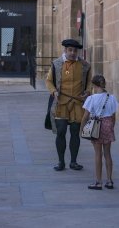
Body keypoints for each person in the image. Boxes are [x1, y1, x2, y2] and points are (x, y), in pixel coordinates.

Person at [45, 39, 92, 171]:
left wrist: (88, 92)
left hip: (77, 103)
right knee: (60, 132)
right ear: (65, 50)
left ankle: (73, 162)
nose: (72, 53)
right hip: (61, 103)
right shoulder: (56, 64)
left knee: (75, 132)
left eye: (75, 50)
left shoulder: (85, 65)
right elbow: (48, 81)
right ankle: (61, 162)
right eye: (70, 50)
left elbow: (89, 82)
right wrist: (54, 91)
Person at [80, 75, 119, 190]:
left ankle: (98, 182)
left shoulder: (91, 99)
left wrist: (82, 129)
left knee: (98, 154)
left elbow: (85, 116)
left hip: (96, 126)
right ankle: (109, 180)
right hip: (108, 125)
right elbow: (113, 116)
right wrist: (111, 127)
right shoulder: (111, 98)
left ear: (94, 85)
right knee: (107, 153)